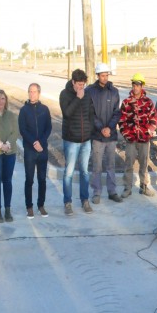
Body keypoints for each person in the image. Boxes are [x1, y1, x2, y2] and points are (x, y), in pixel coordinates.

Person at [86, 62, 122, 204]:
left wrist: (109, 128)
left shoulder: (114, 91)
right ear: (97, 75)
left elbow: (116, 112)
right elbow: (91, 113)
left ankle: (112, 192)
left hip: (111, 136)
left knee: (111, 165)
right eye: (102, 75)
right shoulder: (90, 91)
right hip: (97, 136)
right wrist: (101, 128)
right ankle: (96, 192)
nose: (105, 78)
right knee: (97, 166)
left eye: (107, 75)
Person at [60, 69, 95, 215]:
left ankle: (84, 200)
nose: (81, 88)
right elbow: (67, 113)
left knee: (85, 172)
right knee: (69, 172)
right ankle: (68, 202)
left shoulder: (87, 95)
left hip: (85, 140)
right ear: (73, 82)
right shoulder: (65, 94)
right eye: (79, 85)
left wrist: (90, 132)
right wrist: (78, 98)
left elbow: (91, 115)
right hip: (71, 140)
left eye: (83, 85)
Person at [119, 73, 157, 197]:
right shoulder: (126, 102)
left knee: (144, 163)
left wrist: (149, 131)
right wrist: (126, 134)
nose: (136, 87)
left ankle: (144, 186)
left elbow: (154, 119)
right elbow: (122, 121)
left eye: (138, 85)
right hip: (131, 140)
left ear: (142, 86)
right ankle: (127, 187)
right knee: (129, 163)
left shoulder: (148, 102)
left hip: (144, 139)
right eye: (134, 85)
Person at [18, 82, 52, 219]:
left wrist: (41, 142)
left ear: (39, 93)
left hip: (42, 149)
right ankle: (29, 207)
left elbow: (48, 128)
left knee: (42, 179)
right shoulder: (23, 110)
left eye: (34, 91)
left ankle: (41, 205)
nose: (32, 94)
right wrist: (33, 142)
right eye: (30, 91)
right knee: (29, 179)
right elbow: (23, 130)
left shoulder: (45, 109)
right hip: (30, 150)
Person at [0, 89, 20, 223]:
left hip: (10, 152)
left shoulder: (12, 115)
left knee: (7, 181)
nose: (1, 101)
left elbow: (15, 132)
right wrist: (1, 145)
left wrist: (8, 144)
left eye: (3, 98)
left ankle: (7, 209)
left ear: (6, 101)